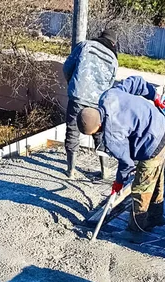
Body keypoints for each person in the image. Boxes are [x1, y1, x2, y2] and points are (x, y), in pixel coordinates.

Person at [76, 76, 165, 242]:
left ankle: (135, 231)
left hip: (152, 143)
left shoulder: (111, 136)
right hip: (161, 125)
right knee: (156, 178)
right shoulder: (108, 96)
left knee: (141, 187)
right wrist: (153, 95)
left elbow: (126, 162)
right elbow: (136, 81)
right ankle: (156, 216)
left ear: (97, 128)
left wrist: (119, 181)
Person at [62, 29, 119, 179]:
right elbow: (111, 82)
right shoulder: (113, 58)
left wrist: (72, 84)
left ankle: (71, 170)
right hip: (98, 102)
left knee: (72, 131)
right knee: (99, 133)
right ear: (113, 43)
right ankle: (105, 170)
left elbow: (67, 67)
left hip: (78, 96)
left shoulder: (85, 46)